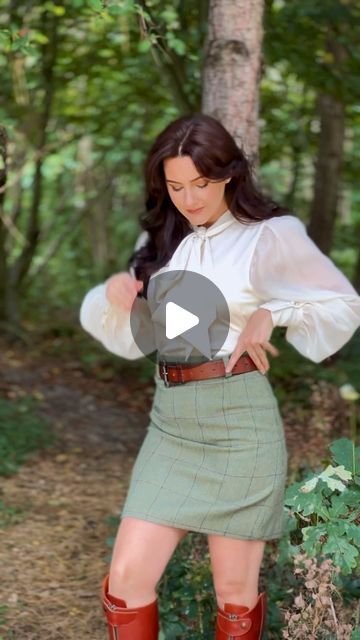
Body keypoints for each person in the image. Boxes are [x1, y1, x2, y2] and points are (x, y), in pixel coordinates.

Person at [79, 114, 360, 640]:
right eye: (176, 185)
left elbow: (344, 304)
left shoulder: (271, 236)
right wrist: (117, 296)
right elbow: (139, 336)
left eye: (202, 184)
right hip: (171, 423)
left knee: (234, 594)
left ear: (229, 174)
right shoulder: (164, 236)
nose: (189, 198)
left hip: (240, 422)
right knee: (126, 581)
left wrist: (275, 311)